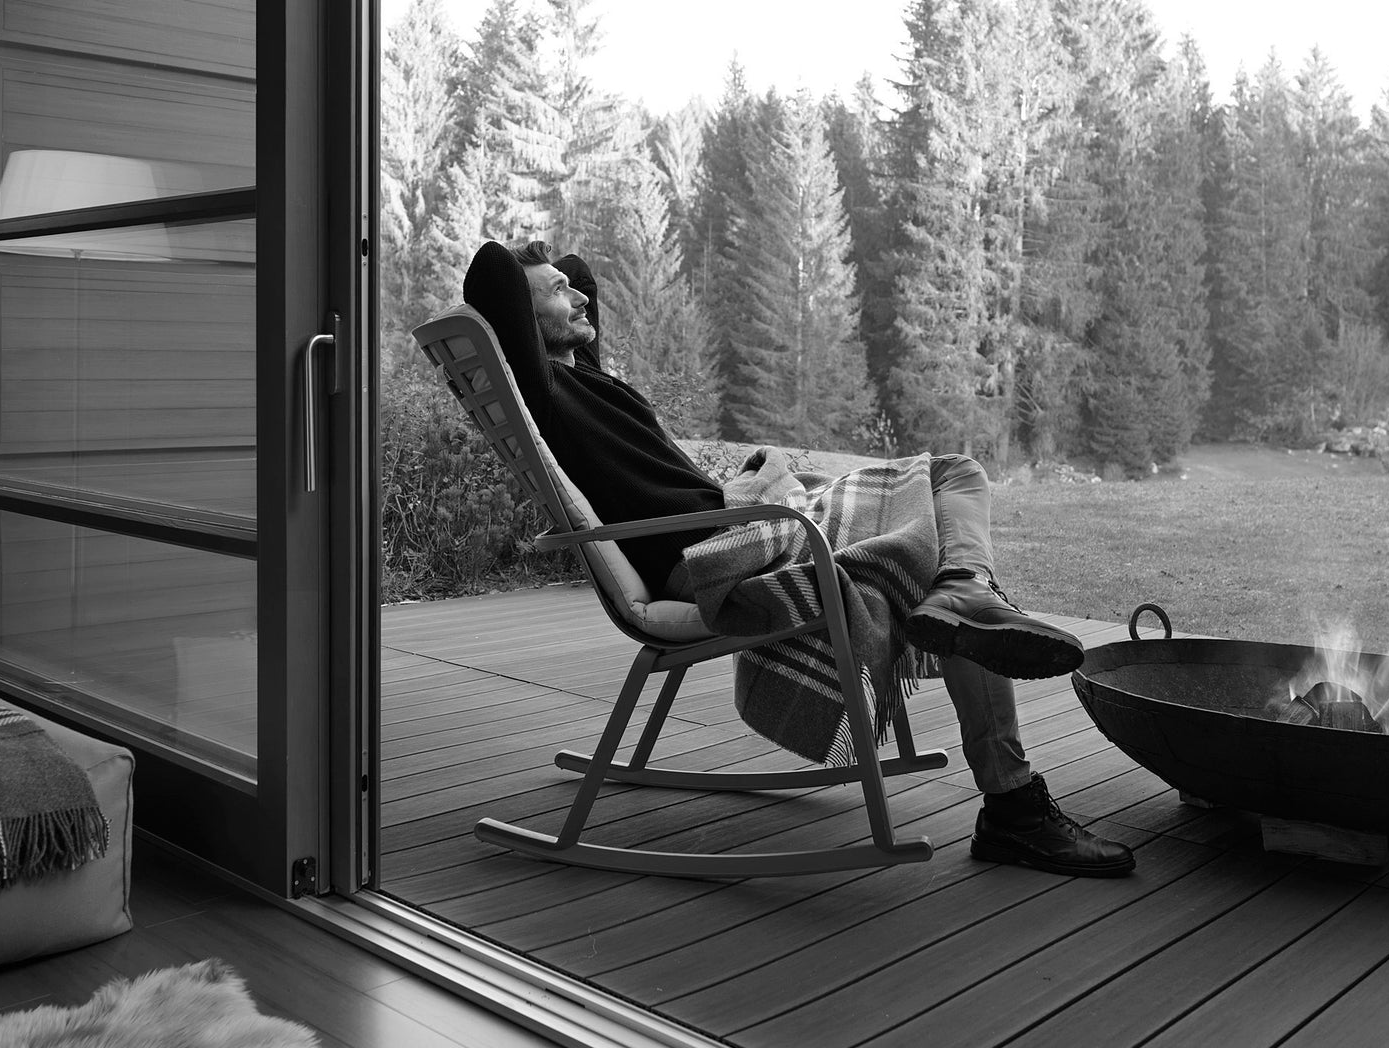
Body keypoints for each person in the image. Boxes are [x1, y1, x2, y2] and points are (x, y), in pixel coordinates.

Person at [462, 239, 1134, 878]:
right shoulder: (545, 392)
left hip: (740, 525)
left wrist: (553, 273)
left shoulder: (590, 381)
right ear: (521, 321)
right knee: (939, 523)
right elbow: (492, 272)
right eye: (557, 292)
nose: (580, 295)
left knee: (952, 478)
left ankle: (964, 594)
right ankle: (1011, 796)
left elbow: (581, 285)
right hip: (716, 553)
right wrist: (526, 265)